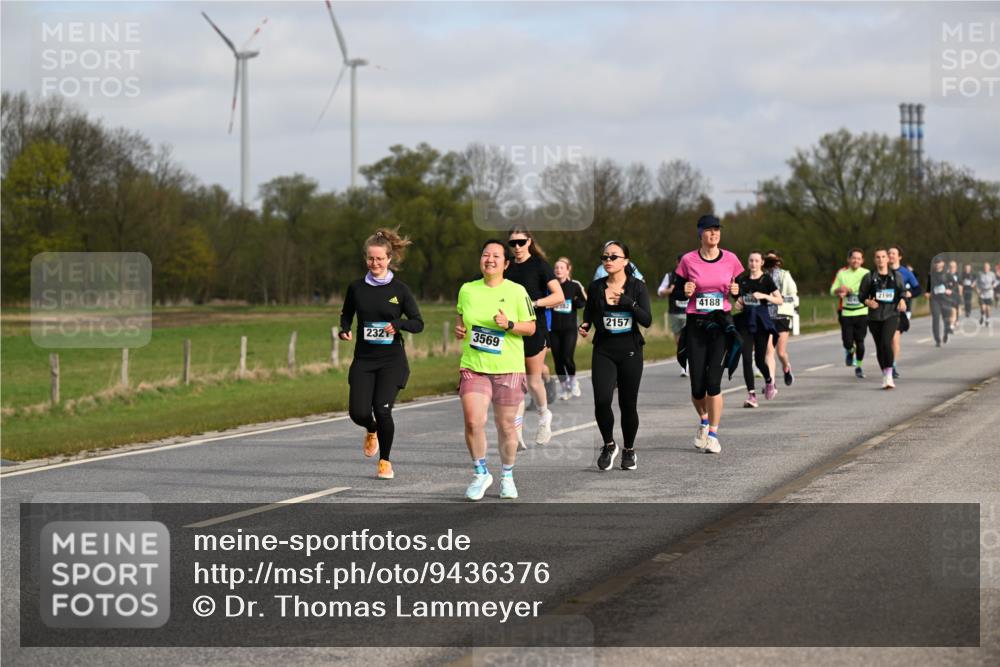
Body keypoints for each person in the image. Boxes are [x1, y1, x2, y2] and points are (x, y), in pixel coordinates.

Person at [454, 240, 537, 500]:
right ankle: (481, 473)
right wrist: (460, 328)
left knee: (506, 427)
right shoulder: (467, 290)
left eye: (496, 256)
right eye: (485, 254)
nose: (489, 259)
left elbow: (531, 327)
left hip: (508, 368)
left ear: (506, 263)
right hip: (474, 366)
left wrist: (509, 323)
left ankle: (507, 476)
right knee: (472, 421)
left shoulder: (516, 291)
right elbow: (461, 316)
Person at [339, 229, 424, 480]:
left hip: (391, 361)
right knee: (359, 413)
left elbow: (418, 323)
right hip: (364, 359)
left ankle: (384, 461)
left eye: (379, 259)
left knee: (382, 408)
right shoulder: (356, 288)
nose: (374, 263)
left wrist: (398, 324)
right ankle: (371, 429)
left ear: (389, 259)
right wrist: (344, 329)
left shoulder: (401, 290)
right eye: (370, 259)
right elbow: (346, 313)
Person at [675, 215, 744, 454]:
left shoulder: (732, 260)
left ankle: (713, 434)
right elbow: (677, 292)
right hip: (696, 324)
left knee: (713, 382)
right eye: (710, 230)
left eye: (717, 230)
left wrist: (737, 291)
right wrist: (684, 290)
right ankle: (703, 420)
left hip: (721, 324)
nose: (714, 234)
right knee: (697, 386)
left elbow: (740, 291)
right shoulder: (688, 260)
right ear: (700, 233)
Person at [579, 241, 652, 471]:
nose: (608, 261)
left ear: (625, 261)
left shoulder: (637, 287)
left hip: (630, 349)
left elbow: (647, 320)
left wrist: (628, 303)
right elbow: (589, 310)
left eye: (614, 257)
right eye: (605, 257)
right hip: (604, 349)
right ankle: (609, 445)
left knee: (627, 404)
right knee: (601, 400)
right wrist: (586, 324)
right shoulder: (596, 286)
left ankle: (629, 450)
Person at [505, 226, 564, 447]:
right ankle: (517, 434)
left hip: (534, 328)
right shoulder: (507, 266)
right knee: (516, 382)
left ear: (529, 241)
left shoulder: (540, 266)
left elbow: (558, 296)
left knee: (532, 380)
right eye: (513, 243)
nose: (517, 247)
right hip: (511, 330)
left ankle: (543, 416)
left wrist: (535, 303)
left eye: (521, 242)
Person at [734, 251, 783, 407]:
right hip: (745, 322)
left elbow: (779, 300)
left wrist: (764, 296)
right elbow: (739, 299)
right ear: (748, 263)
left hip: (761, 323)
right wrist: (739, 301)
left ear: (761, 263)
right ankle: (751, 395)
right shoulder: (742, 280)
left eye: (756, 261)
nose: (753, 263)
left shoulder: (766, 280)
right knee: (747, 358)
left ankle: (769, 382)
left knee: (761, 361)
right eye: (751, 261)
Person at [859, 248, 907, 389]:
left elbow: (902, 292)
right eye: (878, 257)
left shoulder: (896, 276)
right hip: (874, 317)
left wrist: (903, 300)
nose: (881, 259)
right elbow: (861, 296)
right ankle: (885, 374)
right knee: (880, 347)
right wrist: (868, 302)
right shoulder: (869, 277)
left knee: (887, 342)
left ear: (888, 259)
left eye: (883, 257)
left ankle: (890, 375)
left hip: (891, 314)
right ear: (875, 260)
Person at [550, 257, 587, 400]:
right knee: (558, 361)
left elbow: (584, 301)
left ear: (568, 270)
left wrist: (576, 303)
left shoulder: (574, 285)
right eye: (556, 268)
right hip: (553, 329)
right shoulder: (551, 286)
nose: (558, 270)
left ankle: (573, 381)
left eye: (561, 268)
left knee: (567, 357)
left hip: (569, 329)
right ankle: (565, 389)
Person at [830, 249, 870, 378]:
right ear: (848, 260)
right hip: (846, 313)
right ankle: (850, 351)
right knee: (847, 342)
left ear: (862, 260)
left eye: (858, 258)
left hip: (862, 312)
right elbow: (832, 290)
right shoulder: (842, 274)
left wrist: (850, 290)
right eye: (853, 258)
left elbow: (867, 289)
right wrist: (839, 290)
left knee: (860, 342)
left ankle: (859, 366)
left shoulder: (867, 273)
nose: (856, 261)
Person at [762, 250, 798, 386]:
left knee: (781, 352)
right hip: (766, 317)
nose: (771, 264)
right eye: (768, 261)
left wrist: (779, 299)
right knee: (769, 351)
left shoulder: (785, 275)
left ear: (778, 261)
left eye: (773, 261)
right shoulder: (762, 276)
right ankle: (771, 382)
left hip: (782, 315)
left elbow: (793, 295)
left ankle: (786, 368)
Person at [887, 246, 923, 379]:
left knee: (894, 338)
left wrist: (910, 293)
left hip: (901, 310)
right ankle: (888, 363)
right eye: (889, 253)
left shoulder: (906, 272)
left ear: (899, 257)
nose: (890, 255)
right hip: (885, 310)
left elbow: (918, 289)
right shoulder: (883, 271)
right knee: (886, 340)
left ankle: (893, 366)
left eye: (893, 253)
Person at [658, 255, 690, 376]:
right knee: (678, 341)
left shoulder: (692, 275)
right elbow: (660, 291)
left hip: (689, 313)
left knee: (688, 339)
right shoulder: (670, 276)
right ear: (677, 262)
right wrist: (668, 291)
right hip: (674, 312)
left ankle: (686, 364)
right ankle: (683, 364)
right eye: (681, 262)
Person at [927, 258, 955, 346]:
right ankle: (937, 340)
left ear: (943, 263)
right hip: (935, 300)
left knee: (946, 319)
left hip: (945, 299)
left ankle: (946, 333)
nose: (937, 264)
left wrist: (950, 290)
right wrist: (927, 293)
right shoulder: (931, 274)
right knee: (935, 319)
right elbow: (928, 287)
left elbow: (954, 284)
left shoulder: (947, 274)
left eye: (939, 263)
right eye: (936, 263)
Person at [976, 262, 997, 327]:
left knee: (988, 308)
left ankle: (987, 319)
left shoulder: (992, 274)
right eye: (985, 267)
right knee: (983, 308)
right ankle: (982, 316)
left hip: (989, 293)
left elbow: (996, 281)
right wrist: (977, 289)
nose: (986, 268)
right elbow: (977, 282)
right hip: (982, 293)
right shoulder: (980, 274)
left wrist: (994, 285)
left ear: (989, 268)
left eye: (987, 267)